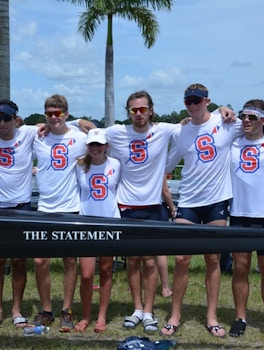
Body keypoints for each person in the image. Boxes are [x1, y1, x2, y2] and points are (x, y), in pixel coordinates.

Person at [163, 83, 242, 338]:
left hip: (217, 201)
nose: (193, 105)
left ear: (207, 101)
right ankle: (175, 315)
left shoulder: (226, 122)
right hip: (189, 201)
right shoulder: (181, 131)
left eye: (197, 100)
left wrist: (228, 110)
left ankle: (211, 315)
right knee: (182, 259)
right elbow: (166, 162)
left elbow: (257, 125)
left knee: (213, 259)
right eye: (189, 101)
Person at [104, 90, 180, 332]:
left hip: (153, 204)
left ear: (151, 110)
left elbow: (192, 125)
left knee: (150, 262)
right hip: (127, 205)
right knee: (133, 261)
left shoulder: (164, 130)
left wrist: (221, 113)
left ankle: (149, 311)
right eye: (134, 110)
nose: (138, 114)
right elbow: (87, 131)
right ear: (128, 112)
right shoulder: (117, 132)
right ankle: (136, 308)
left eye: (143, 109)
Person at [228, 99, 264, 338]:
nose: (246, 121)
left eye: (252, 117)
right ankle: (240, 317)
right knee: (240, 268)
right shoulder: (232, 142)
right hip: (239, 212)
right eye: (244, 116)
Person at [30, 94, 88, 333]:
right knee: (40, 260)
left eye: (58, 113)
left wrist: (76, 122)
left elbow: (99, 136)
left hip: (70, 206)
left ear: (66, 113)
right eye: (49, 113)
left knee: (69, 260)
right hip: (45, 207)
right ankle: (46, 309)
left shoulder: (79, 138)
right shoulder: (37, 138)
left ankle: (66, 309)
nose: (54, 117)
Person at [0, 100, 37, 331]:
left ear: (16, 120)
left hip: (21, 205)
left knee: (20, 261)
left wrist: (80, 121)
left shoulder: (27, 133)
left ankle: (17, 310)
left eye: (7, 119)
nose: (2, 123)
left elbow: (58, 123)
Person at [74, 128, 121, 333]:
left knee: (105, 269)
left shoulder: (115, 165)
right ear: (87, 146)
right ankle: (86, 315)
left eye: (99, 145)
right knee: (86, 275)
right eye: (92, 144)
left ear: (106, 146)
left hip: (109, 223)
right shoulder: (80, 166)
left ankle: (101, 315)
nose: (95, 148)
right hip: (86, 224)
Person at [157, 176, 176, 298]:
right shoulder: (159, 163)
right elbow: (165, 191)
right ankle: (165, 287)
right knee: (160, 249)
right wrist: (173, 208)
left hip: (139, 205)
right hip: (159, 207)